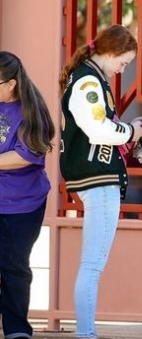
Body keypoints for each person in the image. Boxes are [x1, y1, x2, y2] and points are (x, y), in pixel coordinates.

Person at [59, 25, 142, 339]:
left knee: (92, 264)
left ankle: (86, 333)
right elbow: (97, 129)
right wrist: (130, 132)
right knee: (93, 265)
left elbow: (96, 127)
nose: (122, 69)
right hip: (98, 181)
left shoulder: (88, 77)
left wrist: (129, 129)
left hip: (97, 179)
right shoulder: (89, 81)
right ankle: (86, 334)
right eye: (123, 63)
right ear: (109, 53)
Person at [0, 52, 55, 339]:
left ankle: (17, 330)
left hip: (22, 204)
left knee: (14, 266)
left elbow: (25, 155)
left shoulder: (31, 109)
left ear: (10, 83)